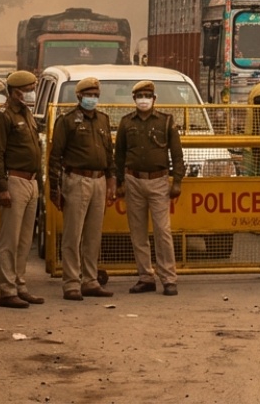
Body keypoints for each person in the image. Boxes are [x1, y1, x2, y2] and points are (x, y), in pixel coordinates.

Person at [47, 76, 115, 301]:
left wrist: (111, 181)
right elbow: (55, 156)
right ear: (79, 96)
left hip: (99, 180)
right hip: (76, 179)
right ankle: (71, 282)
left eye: (95, 95)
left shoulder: (103, 120)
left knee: (93, 235)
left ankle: (90, 280)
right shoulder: (66, 121)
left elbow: (109, 154)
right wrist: (55, 189)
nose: (92, 98)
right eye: (88, 94)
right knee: (73, 234)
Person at [114, 80, 184, 296]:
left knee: (163, 231)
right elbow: (119, 155)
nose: (143, 99)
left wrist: (178, 181)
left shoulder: (166, 121)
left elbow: (177, 154)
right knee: (138, 232)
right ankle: (145, 277)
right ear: (134, 99)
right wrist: (119, 182)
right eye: (139, 96)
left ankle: (169, 278)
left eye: (147, 96)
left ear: (154, 99)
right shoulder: (126, 123)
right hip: (133, 180)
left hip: (159, 181)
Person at [0, 70, 45, 309]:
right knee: (9, 240)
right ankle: (7, 289)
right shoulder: (2, 116)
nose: (32, 93)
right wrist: (1, 186)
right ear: (16, 92)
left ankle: (20, 285)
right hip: (13, 181)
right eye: (29, 89)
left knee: (24, 240)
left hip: (30, 182)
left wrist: (38, 183)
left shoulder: (27, 114)